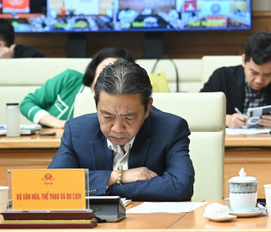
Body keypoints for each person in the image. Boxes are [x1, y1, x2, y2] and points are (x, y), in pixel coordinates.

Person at [49, 59, 194, 201]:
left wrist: (104, 188)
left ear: (148, 108)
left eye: (129, 118)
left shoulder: (170, 129)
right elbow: (53, 185)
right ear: (96, 102)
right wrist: (117, 177)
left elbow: (180, 187)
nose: (117, 128)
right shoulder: (77, 131)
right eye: (108, 116)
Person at [200, 31, 271, 128]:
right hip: (232, 140)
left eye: (267, 74)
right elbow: (199, 109)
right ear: (243, 60)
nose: (259, 80)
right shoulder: (222, 77)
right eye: (254, 73)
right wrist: (225, 120)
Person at [20, 47, 133, 128]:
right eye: (106, 68)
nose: (109, 74)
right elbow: (27, 103)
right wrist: (58, 123)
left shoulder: (125, 100)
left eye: (118, 72)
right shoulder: (69, 79)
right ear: (95, 68)